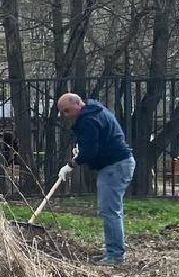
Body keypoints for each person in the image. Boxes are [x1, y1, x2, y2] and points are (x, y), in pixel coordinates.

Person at [57, 93, 136, 266]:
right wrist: (81, 149)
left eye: (67, 110)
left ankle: (115, 256)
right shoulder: (96, 109)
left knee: (110, 211)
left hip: (113, 167)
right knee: (113, 210)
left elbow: (91, 151)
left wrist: (71, 164)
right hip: (119, 163)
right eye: (62, 112)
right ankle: (114, 250)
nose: (66, 115)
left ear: (78, 104)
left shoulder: (87, 120)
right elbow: (96, 141)